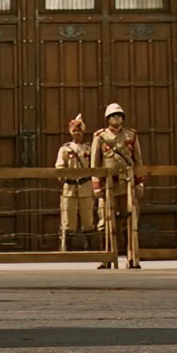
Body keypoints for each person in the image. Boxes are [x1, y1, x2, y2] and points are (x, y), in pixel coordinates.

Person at [90, 104, 143, 269]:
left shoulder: (131, 135)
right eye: (113, 116)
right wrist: (97, 186)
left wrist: (139, 182)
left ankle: (132, 258)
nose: (116, 118)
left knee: (129, 221)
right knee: (105, 222)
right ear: (107, 119)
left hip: (127, 184)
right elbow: (95, 163)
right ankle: (105, 258)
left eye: (119, 115)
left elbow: (138, 161)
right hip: (108, 186)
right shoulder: (100, 137)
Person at [55, 114, 96, 251]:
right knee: (68, 219)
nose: (77, 134)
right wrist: (64, 176)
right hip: (70, 187)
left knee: (88, 219)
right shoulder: (65, 149)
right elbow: (59, 167)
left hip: (85, 186)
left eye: (79, 131)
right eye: (74, 131)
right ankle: (66, 248)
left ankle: (90, 248)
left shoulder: (89, 149)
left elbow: (94, 166)